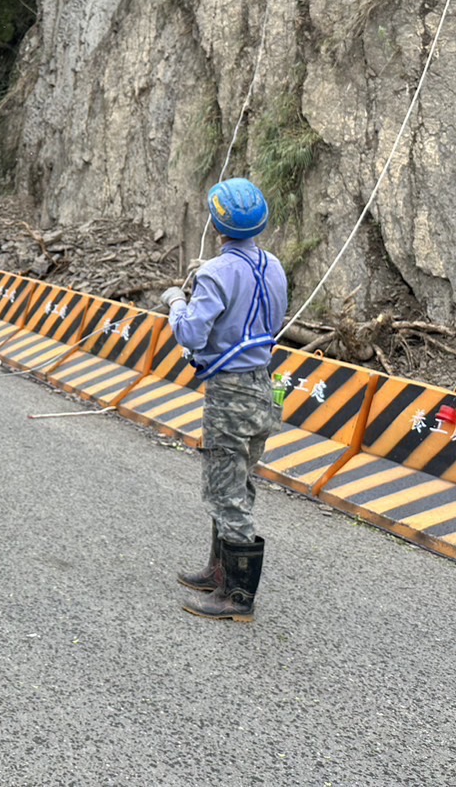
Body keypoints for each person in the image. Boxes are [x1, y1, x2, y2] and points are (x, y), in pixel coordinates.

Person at [160, 177, 288, 622]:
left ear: (218, 225)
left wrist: (178, 301)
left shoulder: (215, 272)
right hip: (261, 387)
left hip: (229, 394)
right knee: (238, 482)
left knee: (224, 490)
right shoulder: (273, 266)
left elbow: (192, 332)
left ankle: (236, 597)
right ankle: (218, 571)